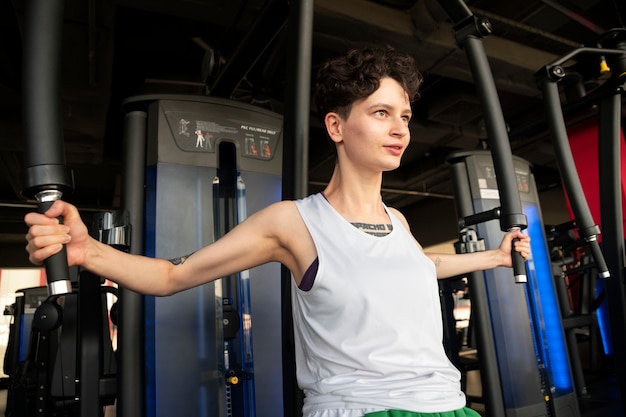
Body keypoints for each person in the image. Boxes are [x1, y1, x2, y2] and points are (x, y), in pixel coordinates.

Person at [25, 46, 530, 417]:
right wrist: (88, 250)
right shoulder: (295, 222)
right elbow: (169, 275)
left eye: (404, 116)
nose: (401, 129)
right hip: (362, 409)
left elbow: (422, 265)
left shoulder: (397, 221)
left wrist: (495, 257)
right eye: (381, 114)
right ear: (336, 127)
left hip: (450, 405)